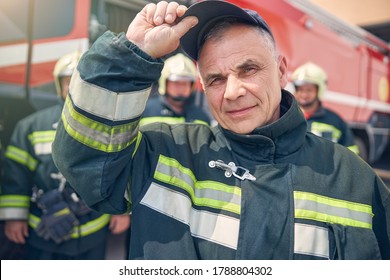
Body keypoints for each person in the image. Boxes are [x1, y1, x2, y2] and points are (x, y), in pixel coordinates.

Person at [52, 1, 390, 260]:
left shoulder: (356, 179)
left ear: (282, 70)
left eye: (249, 69)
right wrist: (130, 56)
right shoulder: (166, 153)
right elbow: (87, 163)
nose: (232, 92)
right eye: (216, 78)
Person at [0, 51, 130, 260]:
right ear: (58, 85)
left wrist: (122, 211)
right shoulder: (31, 127)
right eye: (69, 81)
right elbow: (15, 175)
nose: (76, 87)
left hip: (93, 233)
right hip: (43, 233)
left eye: (84, 81)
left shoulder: (112, 128)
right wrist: (14, 217)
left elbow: (121, 170)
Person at [291, 62, 359, 153]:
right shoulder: (286, 117)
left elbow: (351, 153)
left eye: (309, 90)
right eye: (300, 90)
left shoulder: (335, 121)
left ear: (319, 91)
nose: (304, 94)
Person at [141, 52, 212, 126]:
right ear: (165, 83)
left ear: (191, 85)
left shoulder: (201, 117)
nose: (181, 87)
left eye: (185, 83)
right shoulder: (146, 112)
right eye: (176, 83)